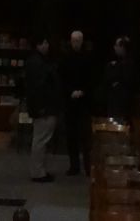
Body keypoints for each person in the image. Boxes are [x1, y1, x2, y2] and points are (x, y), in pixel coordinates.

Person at [24, 36, 60, 183]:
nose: (47, 46)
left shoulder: (36, 61)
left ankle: (38, 170)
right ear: (38, 45)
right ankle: (38, 172)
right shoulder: (38, 63)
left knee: (40, 139)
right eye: (44, 43)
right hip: (44, 107)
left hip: (42, 106)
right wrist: (41, 107)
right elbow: (39, 87)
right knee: (40, 140)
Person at [59, 29, 92, 175]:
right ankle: (74, 166)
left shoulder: (88, 57)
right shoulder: (65, 58)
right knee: (71, 136)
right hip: (70, 101)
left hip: (84, 102)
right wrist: (70, 91)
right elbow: (62, 78)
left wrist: (83, 91)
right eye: (74, 41)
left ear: (82, 41)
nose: (76, 43)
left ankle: (88, 165)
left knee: (85, 136)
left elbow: (91, 78)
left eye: (78, 41)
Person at [100, 36, 135, 121]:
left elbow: (125, 80)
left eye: (117, 45)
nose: (114, 47)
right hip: (114, 100)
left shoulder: (128, 63)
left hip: (122, 101)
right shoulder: (117, 62)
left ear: (122, 47)